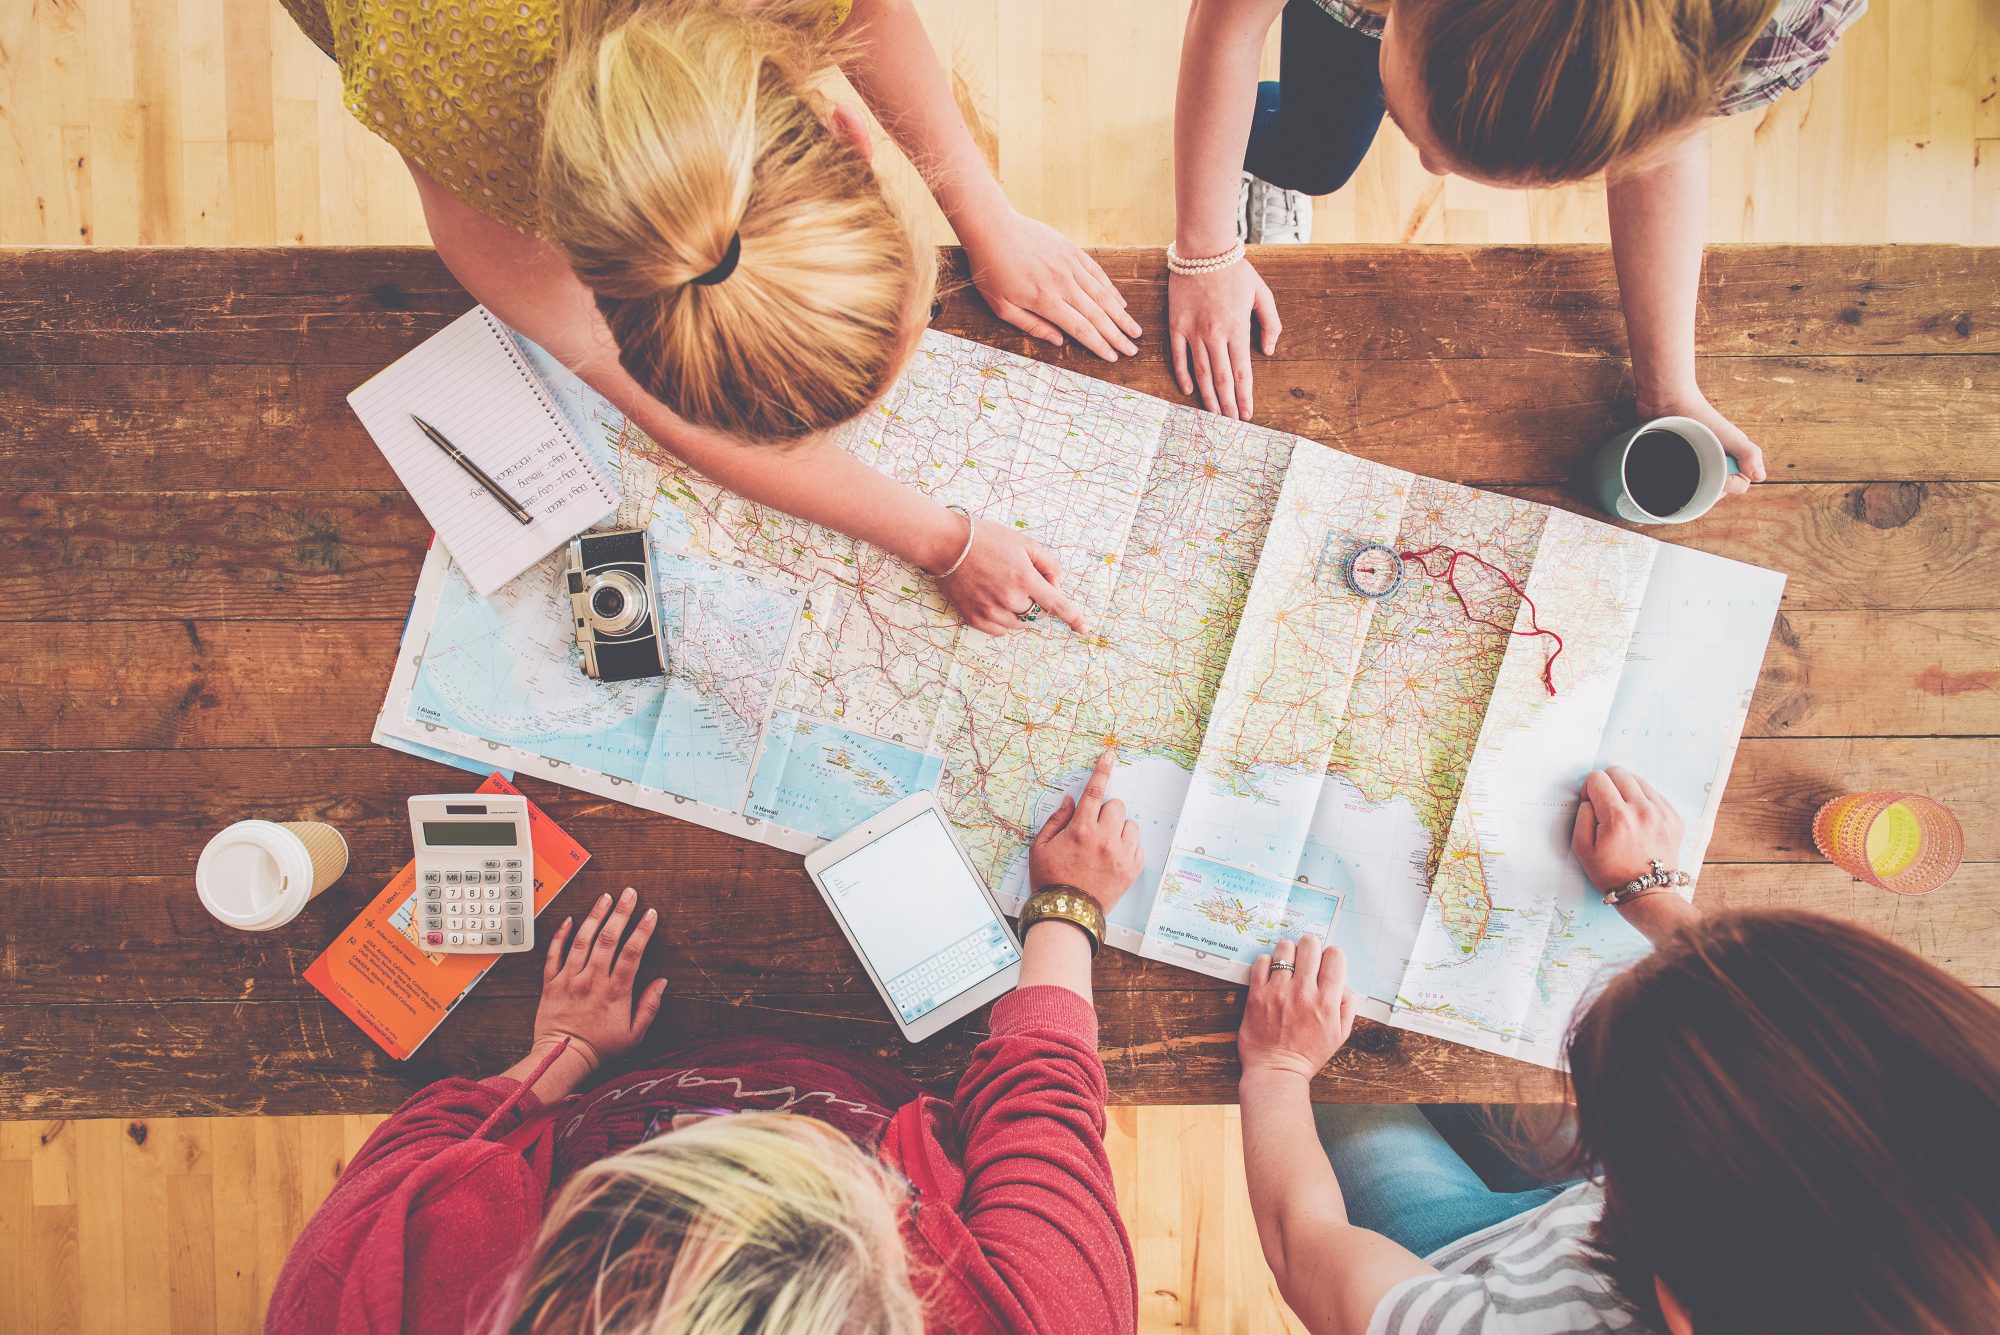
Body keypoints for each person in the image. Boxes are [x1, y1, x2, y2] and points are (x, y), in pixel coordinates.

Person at [278, 0, 1142, 636]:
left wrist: (984, 217)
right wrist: (936, 539)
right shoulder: (465, 150)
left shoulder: (474, 157)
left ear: (844, 132)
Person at [266, 753, 1147, 1334]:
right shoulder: (1044, 1319)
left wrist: (563, 1052)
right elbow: (1043, 1096)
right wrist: (1069, 908)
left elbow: (426, 1141)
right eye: (858, 1193)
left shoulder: (359, 1300)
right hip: (879, 1067)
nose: (756, 1126)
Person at [1235, 765, 2000, 1334]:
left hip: (1448, 1255)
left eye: (1632, 1135)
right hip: (1602, 1222)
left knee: (1343, 1086)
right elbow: (1811, 1049)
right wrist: (1654, 891)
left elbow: (1306, 1250)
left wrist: (1278, 1067)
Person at [1169, 0, 1868, 492]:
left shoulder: (1775, 27)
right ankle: (1261, 153)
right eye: (1422, 138)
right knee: (1316, 155)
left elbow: (1656, 141)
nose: (1432, 172)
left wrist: (1669, 386)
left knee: (1318, 154)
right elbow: (1229, 19)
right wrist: (1205, 251)